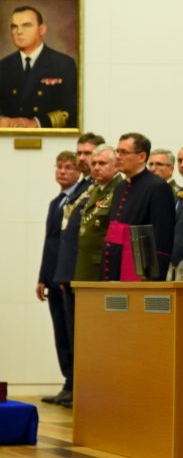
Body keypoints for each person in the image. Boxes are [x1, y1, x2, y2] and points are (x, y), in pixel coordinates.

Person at [50, 132, 104, 407]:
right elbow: (59, 239)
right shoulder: (83, 189)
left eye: (88, 154)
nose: (84, 159)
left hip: (85, 275)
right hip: (65, 273)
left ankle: (81, 387)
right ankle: (71, 383)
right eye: (80, 153)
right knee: (66, 335)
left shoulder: (101, 188)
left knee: (82, 336)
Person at [36, 151, 81, 407]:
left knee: (73, 331)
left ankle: (76, 384)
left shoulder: (78, 198)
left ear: (78, 171)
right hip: (52, 276)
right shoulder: (56, 202)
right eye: (59, 167)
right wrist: (42, 276)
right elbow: (49, 242)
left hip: (67, 276)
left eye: (68, 167)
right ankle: (67, 381)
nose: (62, 172)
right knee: (60, 333)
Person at [100, 133, 176, 280]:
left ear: (141, 157)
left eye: (124, 152)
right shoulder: (120, 187)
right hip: (113, 268)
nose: (118, 156)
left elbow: (161, 240)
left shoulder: (158, 187)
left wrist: (153, 280)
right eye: (117, 151)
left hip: (140, 273)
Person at [0, 6, 78, 128]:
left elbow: (72, 109)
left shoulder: (63, 64)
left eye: (26, 25)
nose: (19, 32)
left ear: (42, 30)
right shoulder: (3, 66)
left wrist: (37, 123)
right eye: (14, 27)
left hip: (49, 137)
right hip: (10, 139)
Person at [74, 145, 124, 281]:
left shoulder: (121, 189)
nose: (96, 168)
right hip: (85, 263)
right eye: (94, 163)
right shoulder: (95, 190)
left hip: (103, 266)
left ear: (116, 166)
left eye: (102, 163)